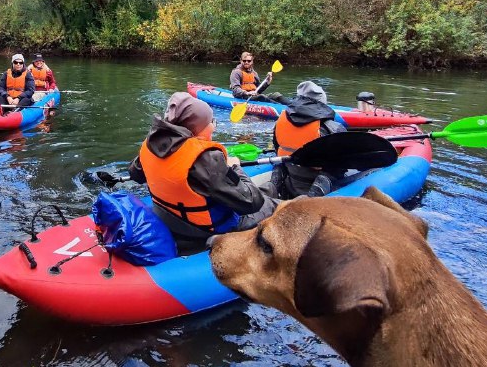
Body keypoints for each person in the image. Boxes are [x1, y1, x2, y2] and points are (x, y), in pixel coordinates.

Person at [128, 92, 279, 253]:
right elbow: (252, 202)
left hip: (169, 219)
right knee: (277, 203)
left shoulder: (151, 145)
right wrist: (234, 167)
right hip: (203, 230)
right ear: (196, 129)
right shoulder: (205, 159)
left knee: (267, 189)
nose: (213, 126)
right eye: (211, 122)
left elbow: (136, 174)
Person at [270, 80, 347, 199]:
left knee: (280, 163)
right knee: (334, 170)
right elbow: (343, 164)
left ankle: (274, 189)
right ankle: (311, 200)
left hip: (291, 181)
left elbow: (277, 148)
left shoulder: (279, 123)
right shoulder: (332, 128)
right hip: (316, 185)